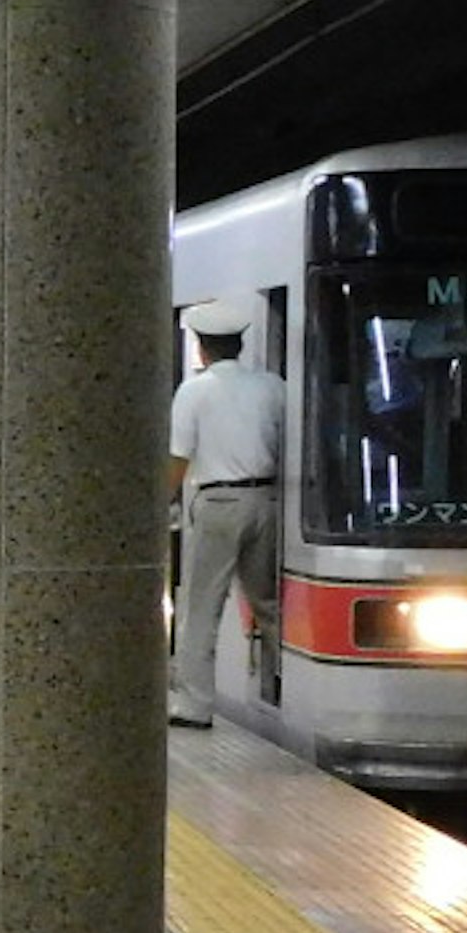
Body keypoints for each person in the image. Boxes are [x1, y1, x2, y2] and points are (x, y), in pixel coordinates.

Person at [167, 298, 284, 729]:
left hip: (218, 505)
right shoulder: (273, 387)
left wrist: (165, 502)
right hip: (267, 502)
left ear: (201, 348)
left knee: (201, 607)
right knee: (269, 604)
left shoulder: (194, 391)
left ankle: (195, 706)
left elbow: (178, 459)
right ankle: (289, 689)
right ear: (239, 344)